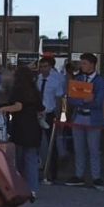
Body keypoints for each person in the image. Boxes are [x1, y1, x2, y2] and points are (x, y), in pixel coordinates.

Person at [0, 66, 43, 201]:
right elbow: (41, 108)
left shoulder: (18, 89)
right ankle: (32, 189)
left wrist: (3, 109)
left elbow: (18, 106)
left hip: (20, 126)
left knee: (19, 160)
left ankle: (20, 187)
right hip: (33, 126)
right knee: (31, 159)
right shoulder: (35, 90)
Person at [65, 53, 104, 190]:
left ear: (92, 64)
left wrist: (83, 101)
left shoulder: (100, 81)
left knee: (94, 149)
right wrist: (84, 100)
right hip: (78, 116)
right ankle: (79, 175)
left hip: (93, 118)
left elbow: (98, 101)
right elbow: (71, 99)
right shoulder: (78, 78)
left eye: (84, 63)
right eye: (82, 63)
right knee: (79, 148)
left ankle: (96, 177)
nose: (82, 66)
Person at [37, 56, 66, 184]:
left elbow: (60, 100)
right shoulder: (38, 79)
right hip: (38, 113)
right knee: (36, 142)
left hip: (49, 113)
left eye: (45, 66)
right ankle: (40, 166)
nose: (43, 69)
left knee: (51, 144)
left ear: (50, 67)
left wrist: (60, 116)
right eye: (41, 66)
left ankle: (53, 172)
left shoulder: (56, 81)